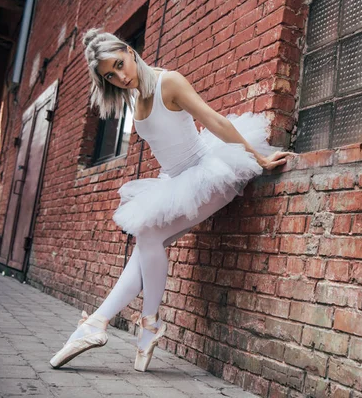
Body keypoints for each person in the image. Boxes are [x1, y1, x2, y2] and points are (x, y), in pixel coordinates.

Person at [49, 28, 295, 372]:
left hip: (207, 174)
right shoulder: (136, 96)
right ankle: (102, 325)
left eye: (120, 65)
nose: (120, 77)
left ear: (130, 52)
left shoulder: (170, 82)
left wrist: (259, 158)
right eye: (110, 75)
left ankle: (142, 323)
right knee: (144, 247)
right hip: (175, 180)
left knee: (147, 236)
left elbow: (214, 120)